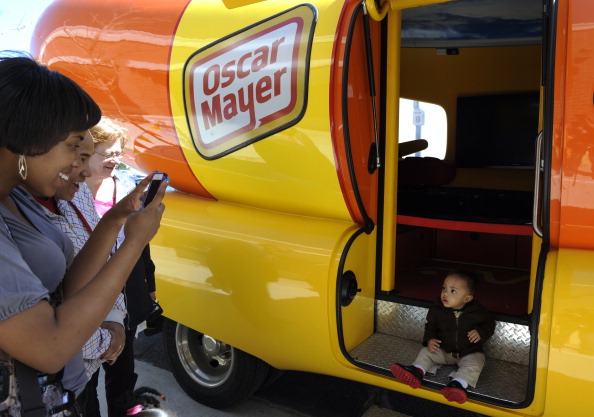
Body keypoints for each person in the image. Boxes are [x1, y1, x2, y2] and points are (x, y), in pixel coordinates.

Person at [0, 52, 166, 415]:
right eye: (73, 146)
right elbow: (50, 346)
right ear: (27, 135)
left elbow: (68, 289)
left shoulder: (17, 200)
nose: (78, 163)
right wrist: (134, 242)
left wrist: (114, 221)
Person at [25, 131, 128, 416]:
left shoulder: (74, 189)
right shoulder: (18, 215)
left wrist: (116, 318)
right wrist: (108, 339)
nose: (83, 170)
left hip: (82, 370)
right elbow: (49, 333)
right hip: (48, 383)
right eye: (76, 152)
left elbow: (101, 262)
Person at [86, 117, 161, 417]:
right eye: (106, 153)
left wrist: (150, 287)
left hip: (126, 297)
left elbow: (141, 244)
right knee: (85, 382)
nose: (115, 159)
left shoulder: (128, 186)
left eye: (119, 152)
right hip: (86, 298)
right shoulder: (66, 195)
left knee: (122, 376)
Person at [390, 270, 495, 404]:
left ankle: (458, 384)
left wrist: (480, 332)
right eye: (444, 288)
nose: (445, 293)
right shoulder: (437, 310)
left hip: (468, 352)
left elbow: (490, 324)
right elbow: (430, 326)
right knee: (426, 352)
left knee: (476, 362)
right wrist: (429, 340)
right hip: (444, 350)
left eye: (453, 291)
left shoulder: (477, 311)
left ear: (467, 298)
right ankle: (417, 371)